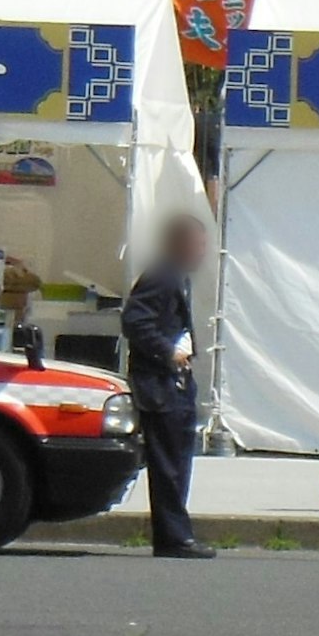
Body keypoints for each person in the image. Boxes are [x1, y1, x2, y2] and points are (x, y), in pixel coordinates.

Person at [123, 212, 215, 559]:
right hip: (160, 385)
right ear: (178, 243)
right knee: (169, 466)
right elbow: (134, 320)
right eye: (196, 244)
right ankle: (175, 537)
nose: (201, 252)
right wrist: (167, 353)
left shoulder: (178, 277)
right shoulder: (161, 276)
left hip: (177, 383)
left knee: (178, 462)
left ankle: (174, 534)